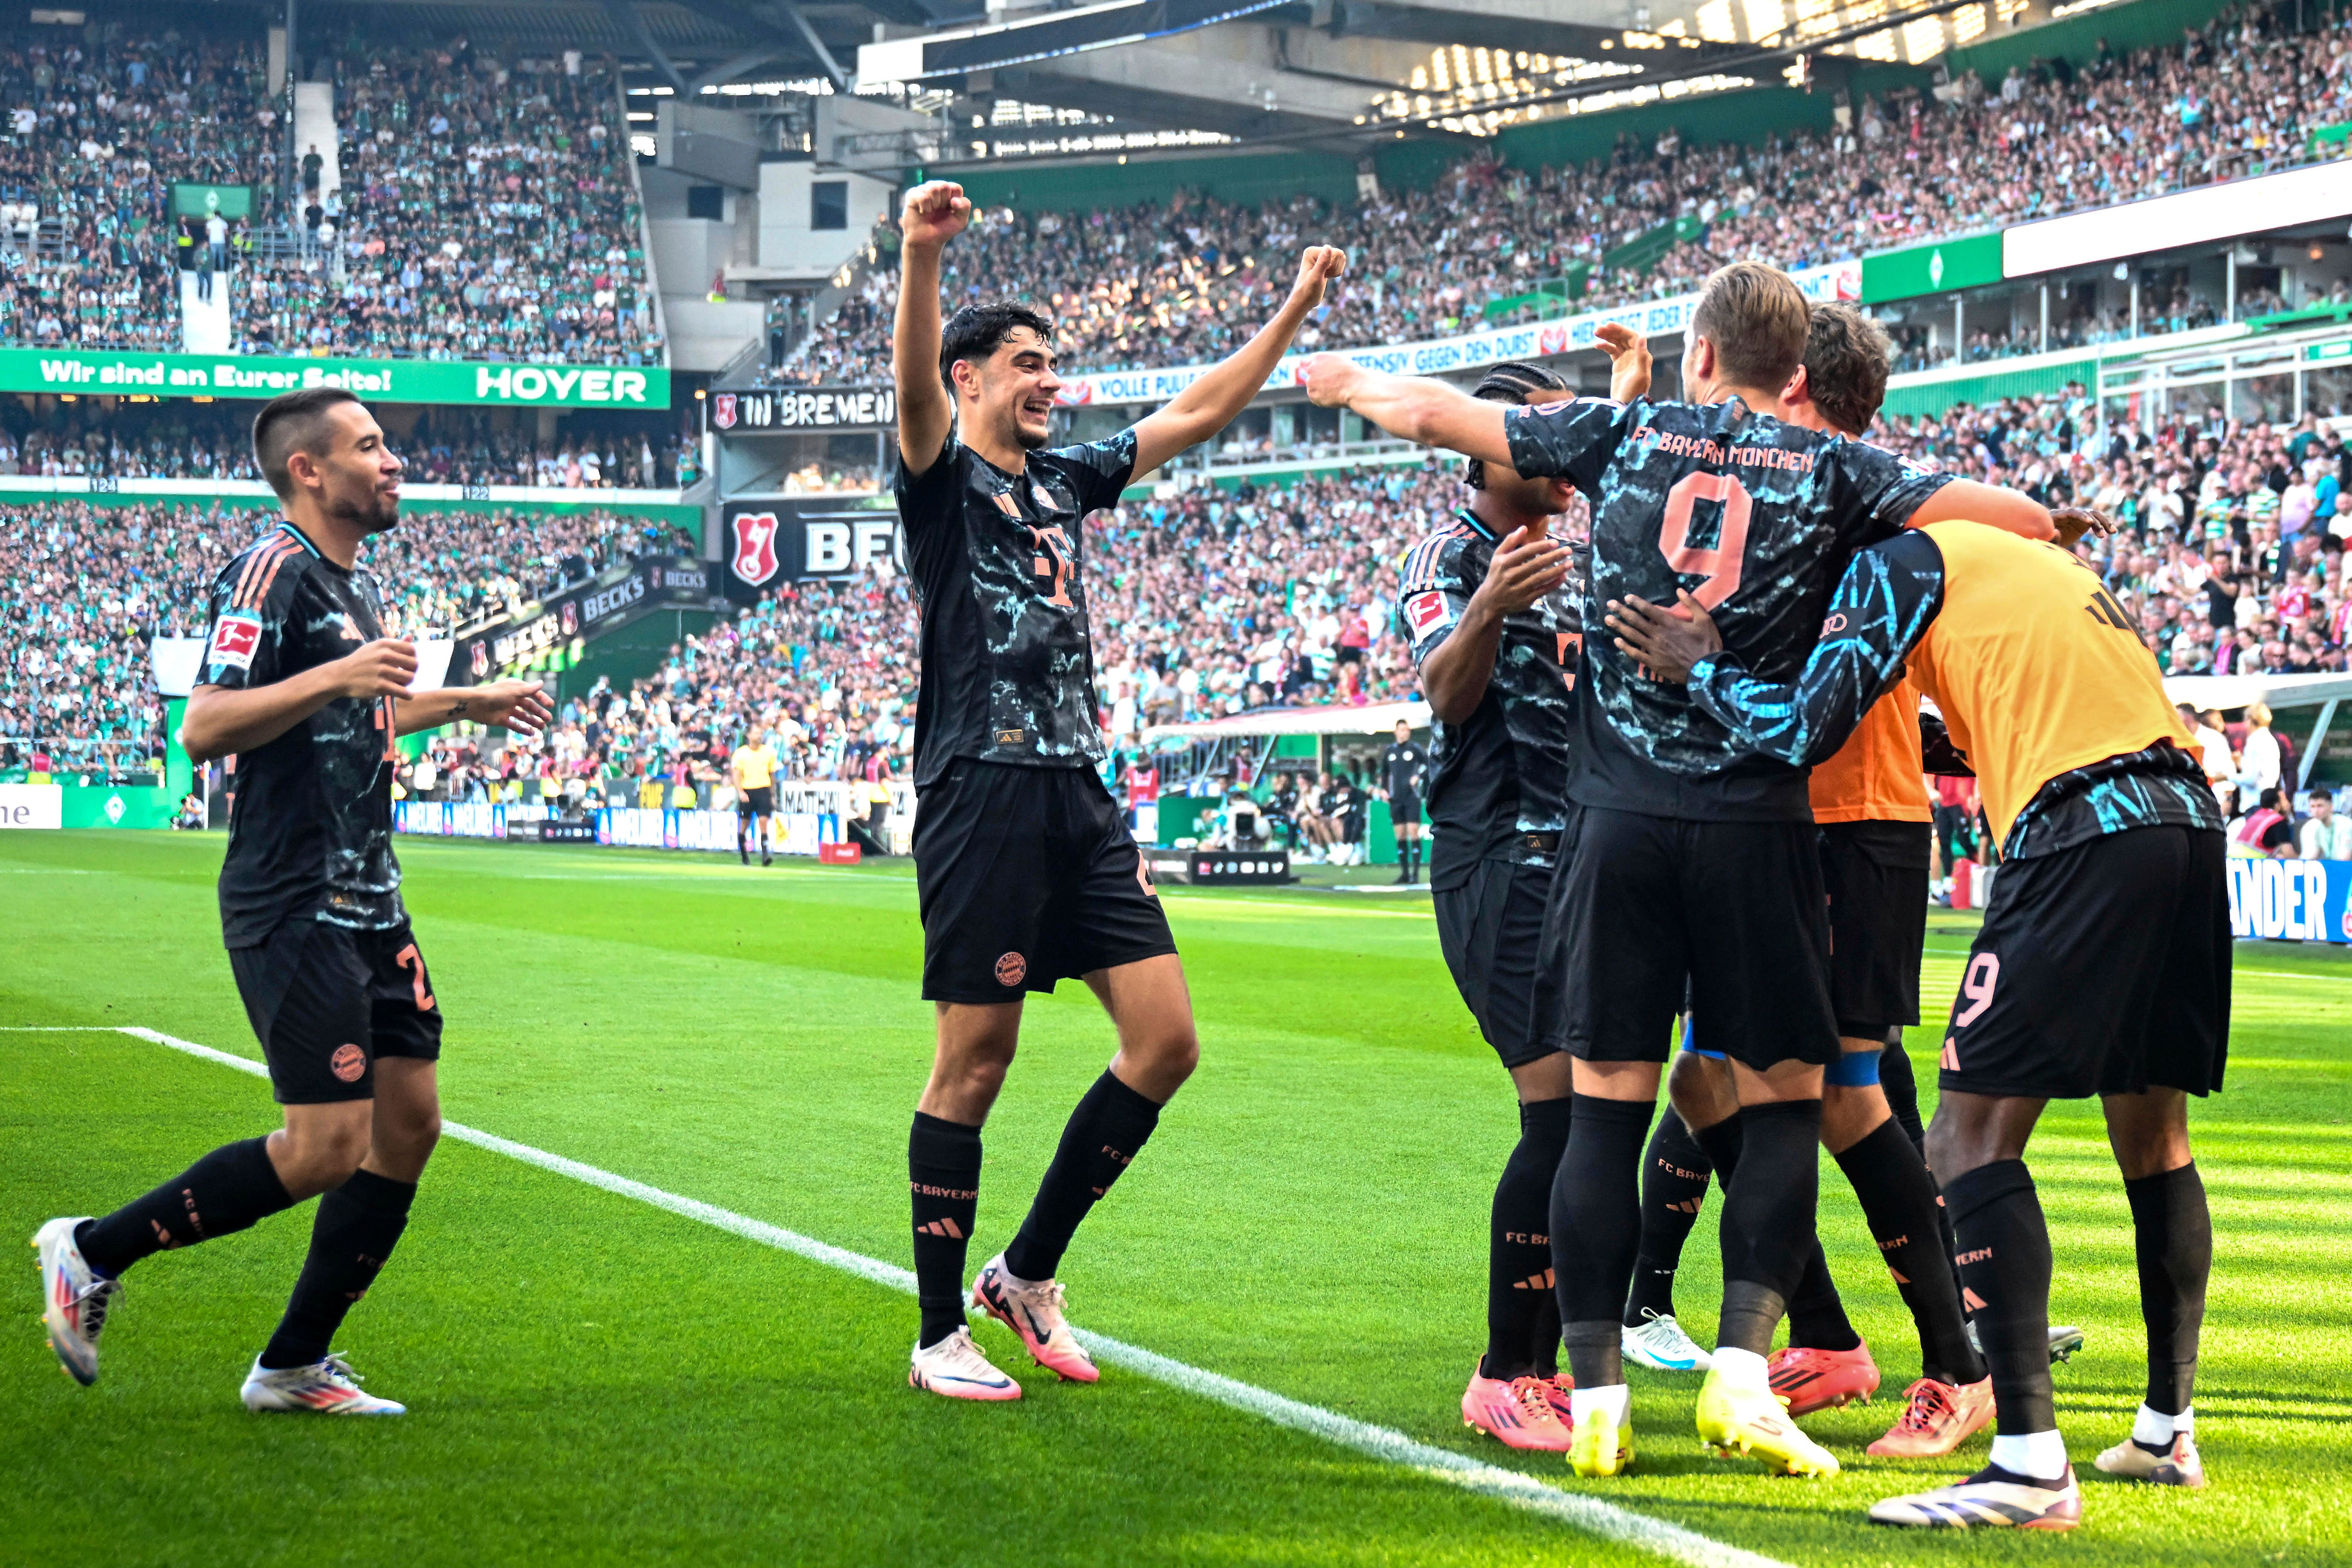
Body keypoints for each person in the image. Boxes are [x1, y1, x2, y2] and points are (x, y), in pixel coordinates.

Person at [1301, 260, 2057, 1481]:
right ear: (1792, 373)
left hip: (1610, 823)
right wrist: (2051, 526)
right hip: (1757, 828)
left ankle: (1592, 1393)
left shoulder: (1624, 430)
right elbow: (1992, 512)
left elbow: (1437, 412)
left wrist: (1344, 381)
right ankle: (1746, 1373)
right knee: (1779, 1105)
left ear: (1700, 352)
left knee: (1602, 1108)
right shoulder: (1839, 468)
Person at [1608, 507, 2229, 1532]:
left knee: (1964, 1134)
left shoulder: (1897, 560)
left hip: (2078, 825)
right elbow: (1946, 730)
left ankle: (2026, 1457)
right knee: (2153, 1135)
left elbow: (1808, 723)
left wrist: (1703, 666)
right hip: (2181, 814)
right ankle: (2167, 1430)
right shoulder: (2018, 566)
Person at [888, 177, 1346, 1401]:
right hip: (978, 790)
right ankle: (939, 1333)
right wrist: (919, 258)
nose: (1049, 380)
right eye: (1027, 363)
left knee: (1166, 1040)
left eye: (1055, 362)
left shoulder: (1061, 482)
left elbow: (1193, 409)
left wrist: (1293, 309)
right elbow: (913, 394)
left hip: (1075, 793)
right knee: (974, 1058)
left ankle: (1026, 1271)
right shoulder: (940, 483)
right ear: (973, 377)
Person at [33, 387, 551, 1414]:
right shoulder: (270, 567)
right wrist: (347, 675)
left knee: (410, 1125)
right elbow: (206, 725)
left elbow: (363, 706)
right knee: (325, 1148)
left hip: (372, 904)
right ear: (310, 470)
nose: (392, 459)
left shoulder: (350, 589)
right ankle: (91, 1251)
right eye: (369, 445)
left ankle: (293, 1364)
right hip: (293, 898)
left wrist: (463, 703)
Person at [1627, 305, 2018, 1459]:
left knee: (1839, 1098)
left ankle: (1958, 1362)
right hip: (1784, 824)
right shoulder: (1828, 490)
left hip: (1847, 825)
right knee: (1703, 1085)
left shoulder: (1844, 495)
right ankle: (1831, 1334)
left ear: (1794, 391)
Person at [1391, 354, 1635, 1452]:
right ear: (1490, 449)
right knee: (1559, 1116)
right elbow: (1445, 694)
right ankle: (1506, 1370)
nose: (1564, 455)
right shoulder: (1447, 554)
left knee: (1596, 1116)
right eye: (1543, 435)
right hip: (1496, 857)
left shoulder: (1582, 551)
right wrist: (1488, 600)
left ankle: (1563, 1358)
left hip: (1586, 853)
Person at [1380, 717, 1430, 884]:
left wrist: (1418, 776)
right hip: (1396, 799)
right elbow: (1385, 773)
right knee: (1400, 835)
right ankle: (1404, 873)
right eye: (1403, 730)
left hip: (1412, 797)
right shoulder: (1390, 751)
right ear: (1396, 732)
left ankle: (1415, 874)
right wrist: (1384, 790)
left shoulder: (1415, 749)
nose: (1406, 733)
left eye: (1408, 730)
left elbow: (1427, 765)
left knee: (1413, 832)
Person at [731, 725, 778, 865]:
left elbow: (772, 774)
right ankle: (744, 855)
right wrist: (740, 791)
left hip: (763, 790)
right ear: (749, 735)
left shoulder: (769, 753)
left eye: (760, 733)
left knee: (764, 821)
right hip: (748, 790)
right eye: (756, 733)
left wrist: (772, 794)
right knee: (744, 824)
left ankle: (765, 855)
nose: (759, 736)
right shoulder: (741, 754)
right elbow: (737, 774)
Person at [2227, 785, 2294, 858]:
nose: (2288, 803)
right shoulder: (2278, 821)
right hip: (2252, 861)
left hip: (2233, 859)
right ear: (2277, 805)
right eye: (2285, 800)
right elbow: (2288, 854)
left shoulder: (2256, 816)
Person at [2300, 790, 2352, 859]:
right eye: (2313, 807)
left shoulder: (2346, 825)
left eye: (2320, 806)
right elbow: (2308, 856)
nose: (2316, 811)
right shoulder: (2309, 827)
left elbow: (2345, 858)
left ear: (2331, 807)